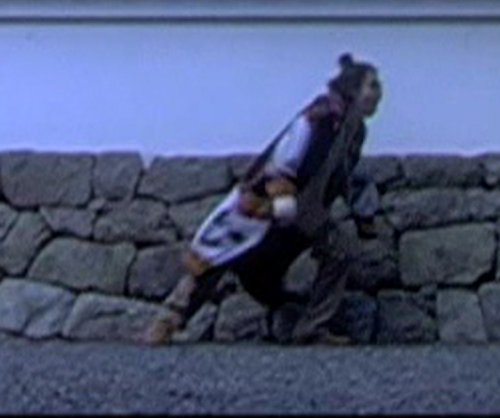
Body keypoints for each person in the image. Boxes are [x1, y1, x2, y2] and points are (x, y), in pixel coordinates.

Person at [144, 53, 383, 346]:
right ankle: (168, 321)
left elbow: (347, 174)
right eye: (371, 85)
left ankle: (311, 327)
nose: (377, 94)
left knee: (338, 250)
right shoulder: (321, 116)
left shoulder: (354, 130)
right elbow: (287, 153)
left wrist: (364, 213)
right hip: (266, 203)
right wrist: (280, 193)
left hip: (309, 210)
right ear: (352, 88)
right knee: (219, 255)